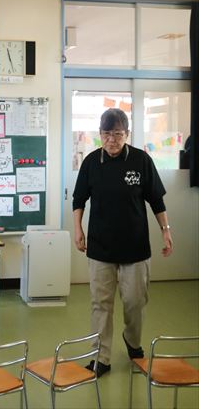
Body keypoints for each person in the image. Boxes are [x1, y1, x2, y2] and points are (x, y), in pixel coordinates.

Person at [73, 108, 173, 378]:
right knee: (100, 304)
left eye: (117, 134)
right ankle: (101, 356)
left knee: (135, 301)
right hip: (100, 248)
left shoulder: (141, 160)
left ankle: (132, 339)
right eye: (107, 134)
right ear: (100, 134)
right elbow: (79, 199)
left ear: (127, 134)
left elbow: (156, 199)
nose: (112, 140)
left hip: (135, 248)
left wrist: (165, 230)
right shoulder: (91, 162)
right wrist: (78, 229)